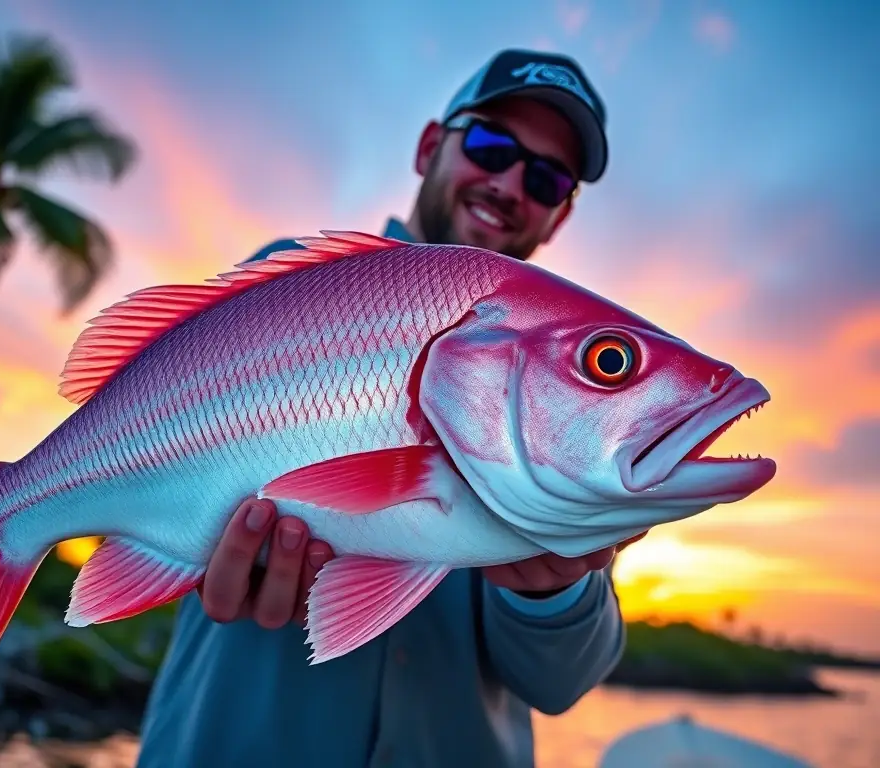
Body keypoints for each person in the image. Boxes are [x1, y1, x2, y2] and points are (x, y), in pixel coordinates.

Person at [136, 48, 638, 768]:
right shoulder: (294, 285)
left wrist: (553, 594)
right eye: (492, 144)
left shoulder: (559, 384)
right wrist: (197, 541)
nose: (507, 184)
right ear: (431, 147)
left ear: (556, 217)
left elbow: (559, 683)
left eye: (546, 177)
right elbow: (166, 468)